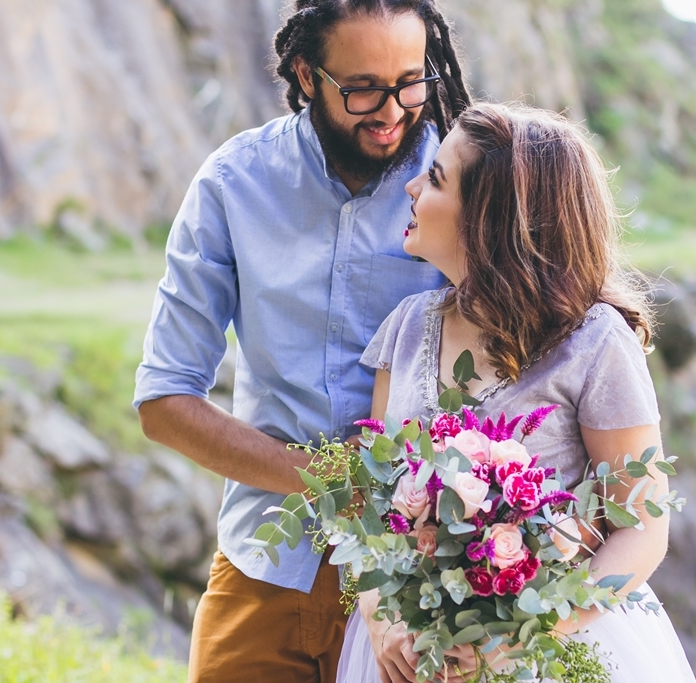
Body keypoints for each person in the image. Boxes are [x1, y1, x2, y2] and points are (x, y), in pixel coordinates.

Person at [133, 1, 471, 681]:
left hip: (430, 577)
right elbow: (164, 400)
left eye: (411, 79)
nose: (393, 110)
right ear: (305, 74)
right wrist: (324, 478)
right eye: (363, 88)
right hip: (267, 561)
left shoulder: (463, 181)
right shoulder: (232, 184)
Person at [337, 103, 696, 683]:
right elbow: (373, 504)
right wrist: (380, 613)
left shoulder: (596, 343)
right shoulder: (404, 328)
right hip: (407, 654)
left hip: (548, 652)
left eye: (434, 178)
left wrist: (527, 631)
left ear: (488, 218)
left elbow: (641, 526)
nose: (410, 186)